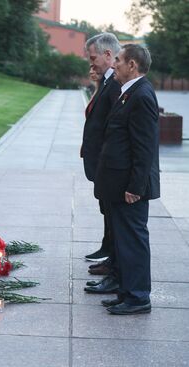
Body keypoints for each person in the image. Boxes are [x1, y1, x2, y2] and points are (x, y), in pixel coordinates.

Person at [94, 44, 160, 315]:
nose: (114, 65)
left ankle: (138, 297)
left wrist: (135, 186)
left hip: (130, 187)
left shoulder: (141, 95)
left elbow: (145, 148)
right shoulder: (128, 92)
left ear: (132, 65)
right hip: (118, 184)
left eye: (118, 61)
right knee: (123, 242)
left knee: (132, 241)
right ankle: (126, 292)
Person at [80, 34, 122, 298]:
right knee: (107, 212)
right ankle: (110, 257)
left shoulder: (116, 84)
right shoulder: (105, 82)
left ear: (108, 55)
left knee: (115, 217)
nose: (90, 63)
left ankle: (115, 268)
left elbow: (113, 127)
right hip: (100, 161)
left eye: (93, 57)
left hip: (109, 164)